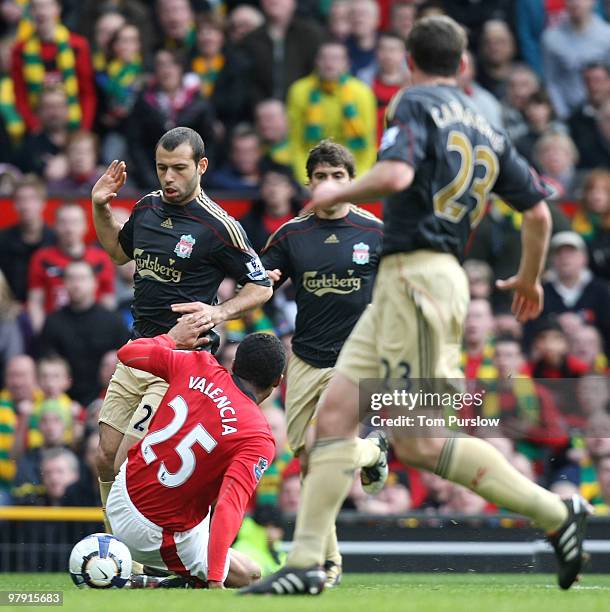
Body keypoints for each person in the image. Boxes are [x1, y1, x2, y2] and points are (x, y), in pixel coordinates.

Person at [242, 15, 590, 596]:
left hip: (421, 280)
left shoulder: (411, 103)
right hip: (409, 282)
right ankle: (306, 563)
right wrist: (528, 278)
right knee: (332, 419)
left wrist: (339, 191)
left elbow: (397, 172)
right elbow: (538, 212)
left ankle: (556, 513)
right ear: (464, 63)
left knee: (422, 441)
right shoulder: (487, 122)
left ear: (410, 60)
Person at [90, 126, 272, 543]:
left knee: (126, 460)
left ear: (201, 167)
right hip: (141, 349)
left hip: (183, 363)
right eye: (161, 168)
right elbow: (119, 253)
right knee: (103, 458)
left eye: (178, 168)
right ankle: (117, 548)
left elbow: (261, 285)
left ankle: (125, 554)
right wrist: (101, 207)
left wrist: (218, 311)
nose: (168, 178)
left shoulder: (220, 226)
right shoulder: (147, 207)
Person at [260, 140, 385, 587]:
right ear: (309, 183)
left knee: (325, 449)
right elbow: (262, 280)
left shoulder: (375, 233)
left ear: (351, 182)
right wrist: (260, 283)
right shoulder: (293, 234)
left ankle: (327, 565)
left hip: (357, 359)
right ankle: (374, 452)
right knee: (307, 459)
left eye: (337, 176)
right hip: (306, 358)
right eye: (320, 176)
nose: (329, 184)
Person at [106, 317, 287, 588]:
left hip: (121, 493)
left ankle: (157, 574)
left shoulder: (197, 364)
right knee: (250, 574)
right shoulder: (258, 436)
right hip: (154, 533)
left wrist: (172, 338)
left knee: (197, 510)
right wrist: (215, 579)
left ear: (235, 364)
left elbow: (127, 353)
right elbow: (229, 505)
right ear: (277, 381)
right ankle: (156, 584)